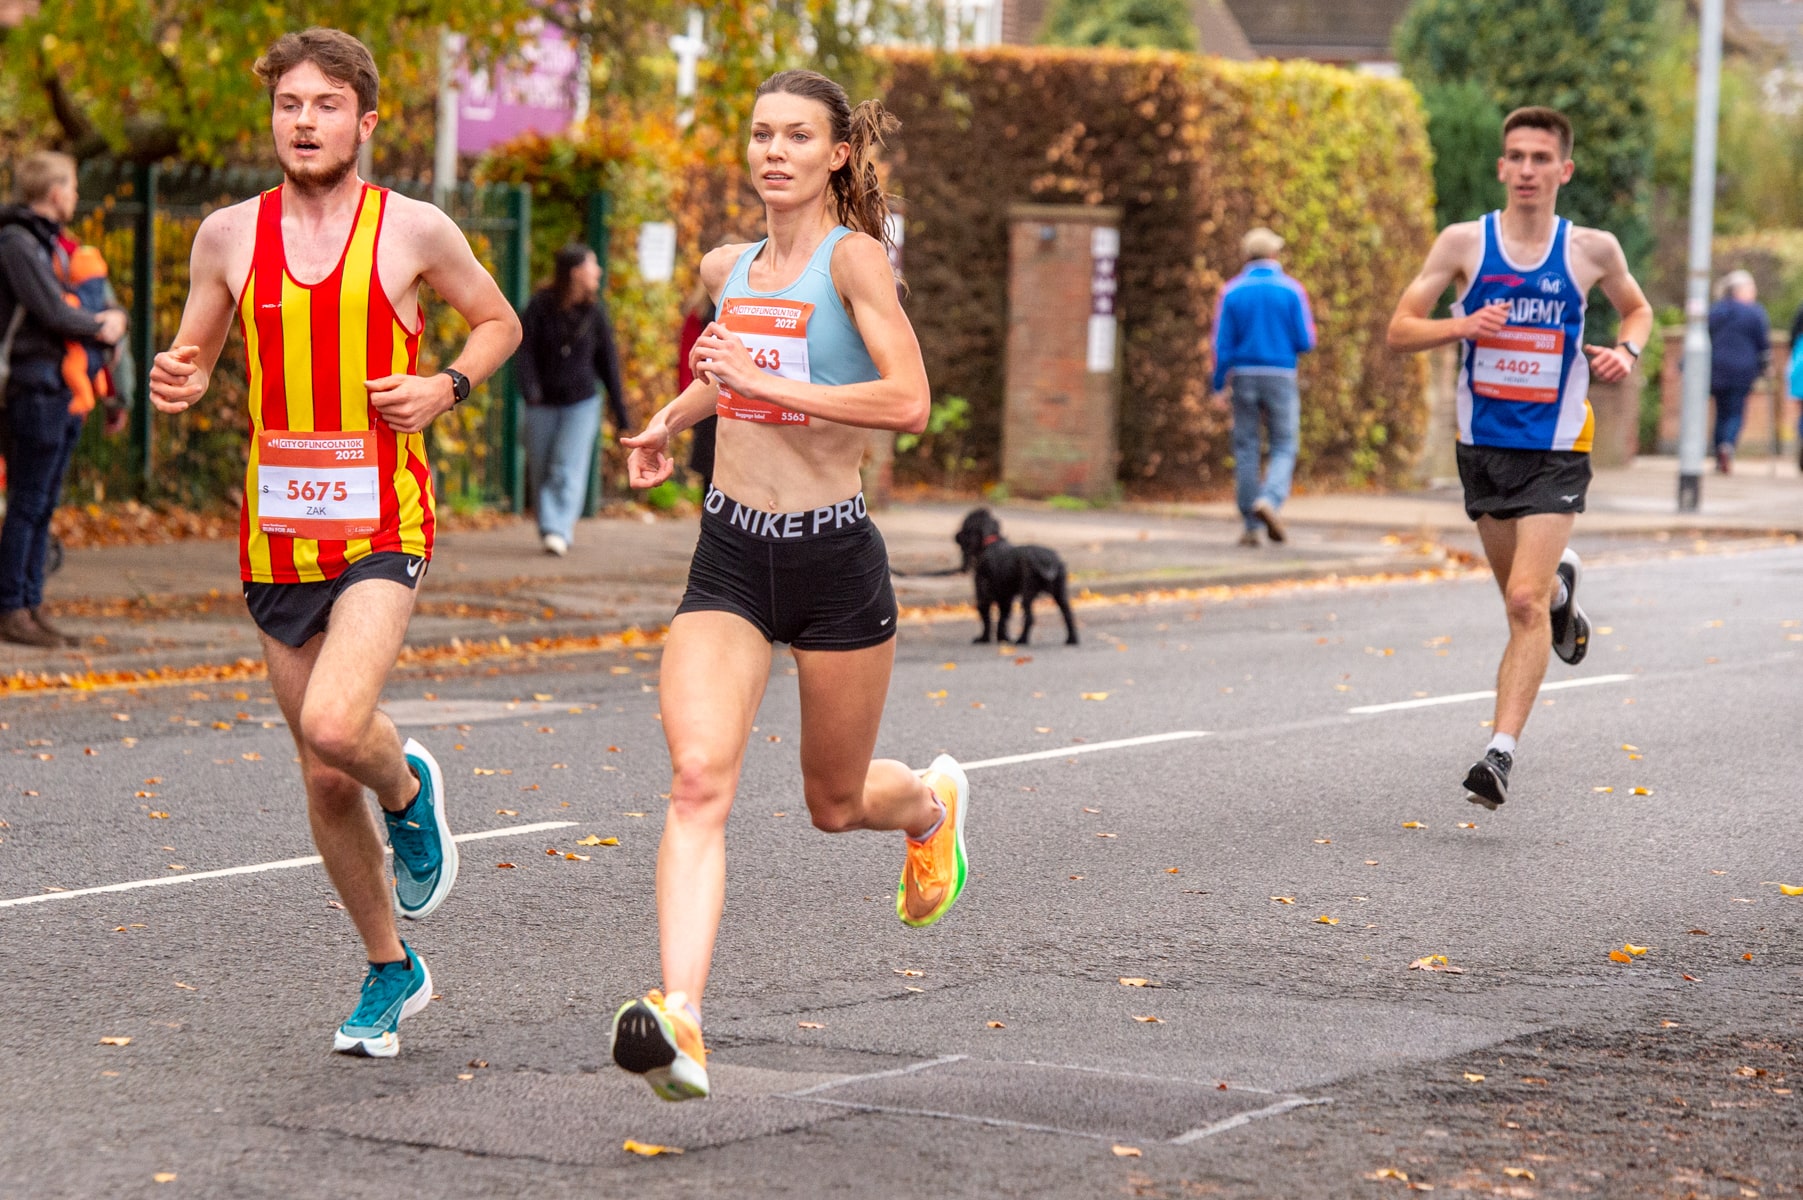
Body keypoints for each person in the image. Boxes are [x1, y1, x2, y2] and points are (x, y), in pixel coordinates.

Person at [146, 28, 520, 1057]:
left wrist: (446, 385)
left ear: (364, 120)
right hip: (276, 534)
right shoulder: (226, 234)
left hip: (380, 521)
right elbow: (198, 349)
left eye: (323, 105)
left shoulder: (415, 230)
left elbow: (498, 323)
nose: (303, 122)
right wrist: (178, 377)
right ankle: (391, 968)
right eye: (287, 105)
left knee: (338, 722)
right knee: (319, 771)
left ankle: (408, 789)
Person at [608, 69, 963, 1103]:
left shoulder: (856, 262)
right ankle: (682, 1017)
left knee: (835, 801)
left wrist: (768, 387)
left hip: (835, 562)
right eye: (761, 134)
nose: (773, 151)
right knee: (697, 780)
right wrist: (671, 423)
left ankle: (929, 809)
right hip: (730, 554)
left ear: (836, 154)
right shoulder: (733, 264)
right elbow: (729, 365)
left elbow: (910, 401)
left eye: (797, 136)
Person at [1386, 106, 1652, 810]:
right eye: (1515, 157)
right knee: (1527, 598)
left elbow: (1637, 310)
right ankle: (1565, 592)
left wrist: (1624, 353)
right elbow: (1398, 329)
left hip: (1558, 445)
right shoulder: (1463, 244)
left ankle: (1497, 756)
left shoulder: (1590, 250)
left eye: (1541, 158)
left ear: (1563, 170)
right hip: (1483, 446)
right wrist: (1462, 324)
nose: (1527, 169)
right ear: (1501, 167)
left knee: (1520, 601)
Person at [0, 151, 128, 648]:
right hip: (33, 386)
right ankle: (11, 607)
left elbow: (88, 296)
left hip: (61, 388)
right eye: (71, 187)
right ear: (54, 192)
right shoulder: (16, 242)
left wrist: (110, 317)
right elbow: (51, 311)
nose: (74, 196)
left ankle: (31, 603)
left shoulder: (53, 243)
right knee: (28, 502)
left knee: (43, 502)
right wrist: (105, 326)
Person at [517, 243, 627, 555]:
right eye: (594, 265)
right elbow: (523, 351)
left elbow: (609, 364)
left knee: (566, 466)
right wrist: (530, 389)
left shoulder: (595, 313)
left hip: (581, 403)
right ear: (576, 272)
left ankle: (558, 529)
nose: (599, 272)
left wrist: (622, 415)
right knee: (541, 467)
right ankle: (550, 525)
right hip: (542, 403)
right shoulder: (539, 306)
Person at [1211, 226, 1316, 547]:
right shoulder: (1292, 291)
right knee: (1284, 444)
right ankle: (1269, 499)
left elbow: (1222, 345)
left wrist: (1217, 386)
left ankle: (1250, 526)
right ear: (1274, 254)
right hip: (1281, 375)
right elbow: (1305, 340)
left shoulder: (1231, 292)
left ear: (1246, 255)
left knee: (1246, 448)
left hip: (1243, 375)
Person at [1706, 269, 1768, 474]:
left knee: (1721, 412)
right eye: (1751, 288)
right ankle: (1728, 445)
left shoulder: (1716, 311)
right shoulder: (1755, 312)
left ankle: (1718, 454)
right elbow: (1763, 344)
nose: (1754, 292)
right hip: (1743, 369)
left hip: (1717, 368)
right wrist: (1765, 366)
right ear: (1739, 290)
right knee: (1735, 412)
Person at [677, 278, 717, 492]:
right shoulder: (701, 309)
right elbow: (688, 356)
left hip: (712, 393)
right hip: (707, 392)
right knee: (710, 467)